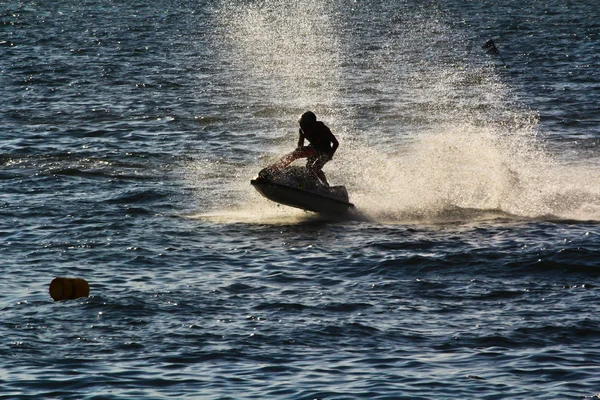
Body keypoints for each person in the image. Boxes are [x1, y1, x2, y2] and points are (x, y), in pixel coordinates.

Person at [272, 111, 339, 187]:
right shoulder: (302, 130)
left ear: (312, 124)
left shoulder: (321, 127)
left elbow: (336, 143)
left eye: (305, 124)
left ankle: (326, 186)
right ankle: (321, 186)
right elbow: (300, 144)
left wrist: (329, 155)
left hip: (325, 151)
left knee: (315, 168)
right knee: (309, 168)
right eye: (301, 123)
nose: (303, 126)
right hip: (313, 149)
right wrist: (299, 150)